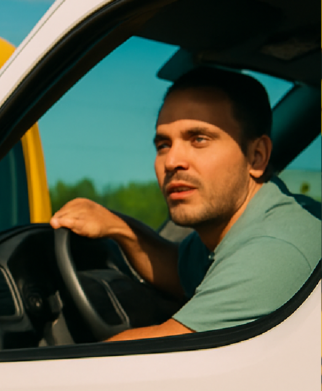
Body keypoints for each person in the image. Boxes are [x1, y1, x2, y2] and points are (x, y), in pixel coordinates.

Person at [50, 67, 320, 341]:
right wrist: (120, 228)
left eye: (199, 139)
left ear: (256, 156)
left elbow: (152, 353)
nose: (171, 161)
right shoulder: (248, 223)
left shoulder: (274, 250)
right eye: (163, 145)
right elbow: (180, 272)